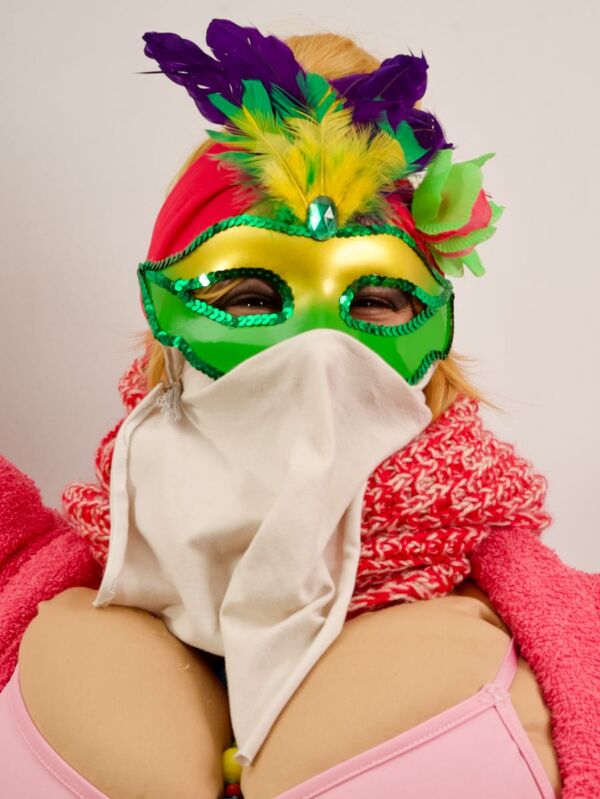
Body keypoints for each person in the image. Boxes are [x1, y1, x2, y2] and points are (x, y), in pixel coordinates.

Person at [0, 17, 599, 799]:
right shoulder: (40, 568)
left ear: (433, 338)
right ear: (166, 324)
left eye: (374, 299)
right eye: (251, 296)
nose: (318, 350)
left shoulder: (562, 619)